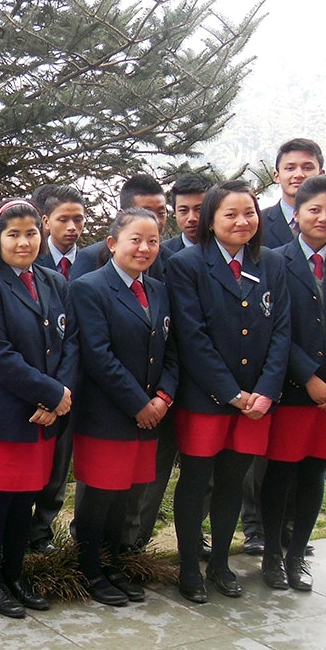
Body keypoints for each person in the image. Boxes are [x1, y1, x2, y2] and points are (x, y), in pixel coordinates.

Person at [165, 180, 290, 603]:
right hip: (206, 399)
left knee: (233, 481)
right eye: (230, 214)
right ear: (210, 220)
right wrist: (231, 394)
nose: (242, 221)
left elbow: (281, 332)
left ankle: (220, 562)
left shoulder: (271, 262)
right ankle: (188, 566)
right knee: (197, 479)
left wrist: (266, 391)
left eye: (249, 213)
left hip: (257, 401)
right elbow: (191, 337)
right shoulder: (187, 264)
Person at [0, 199, 71, 618]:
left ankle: (16, 575)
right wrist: (48, 394)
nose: (24, 242)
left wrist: (59, 396)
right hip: (3, 416)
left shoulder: (52, 282)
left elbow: (70, 343)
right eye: (13, 234)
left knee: (26, 500)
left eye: (30, 233)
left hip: (44, 415)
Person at [258, 175, 326, 591]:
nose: (323, 217)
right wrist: (309, 376)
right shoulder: (274, 260)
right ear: (296, 213)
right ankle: (270, 554)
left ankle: (298, 554)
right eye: (314, 209)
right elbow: (274, 330)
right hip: (294, 388)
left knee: (315, 472)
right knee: (281, 472)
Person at [68, 208, 177, 606]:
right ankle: (90, 569)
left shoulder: (159, 290)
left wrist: (163, 398)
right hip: (107, 415)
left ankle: (114, 565)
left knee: (127, 496)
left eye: (152, 241)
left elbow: (172, 351)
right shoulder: (90, 288)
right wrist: (138, 404)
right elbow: (98, 356)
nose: (145, 248)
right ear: (113, 243)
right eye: (135, 239)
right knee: (99, 497)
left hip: (148, 415)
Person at [120, 172, 214, 553]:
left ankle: (142, 542)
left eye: (160, 213)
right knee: (132, 471)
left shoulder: (176, 260)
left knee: (186, 470)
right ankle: (116, 543)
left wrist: (166, 391)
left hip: (180, 385)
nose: (155, 221)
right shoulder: (104, 259)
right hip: (129, 388)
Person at [27, 183, 87, 552]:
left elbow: (78, 337)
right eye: (63, 219)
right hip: (31, 382)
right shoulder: (28, 258)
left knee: (60, 465)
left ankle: (42, 531)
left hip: (72, 381)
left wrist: (63, 390)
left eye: (78, 219)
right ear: (46, 221)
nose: (72, 227)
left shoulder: (94, 259)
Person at [260, 138, 326, 248]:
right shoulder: (259, 222)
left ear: (321, 174)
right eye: (290, 168)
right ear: (277, 176)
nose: (299, 175)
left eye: (307, 168)